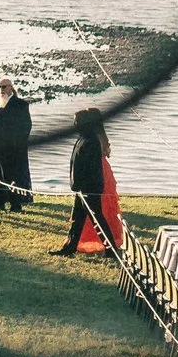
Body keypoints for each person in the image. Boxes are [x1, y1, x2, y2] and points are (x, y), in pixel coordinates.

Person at [59, 108, 116, 256]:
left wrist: (83, 187)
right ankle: (69, 247)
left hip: (89, 189)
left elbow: (90, 169)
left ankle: (111, 248)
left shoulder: (91, 142)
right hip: (81, 188)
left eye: (77, 121)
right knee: (77, 219)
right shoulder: (83, 138)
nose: (75, 124)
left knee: (97, 219)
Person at [0, 79, 33, 213]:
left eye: (4, 87)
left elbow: (26, 127)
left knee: (13, 177)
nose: (1, 90)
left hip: (13, 149)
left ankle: (16, 205)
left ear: (11, 88)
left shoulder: (20, 104)